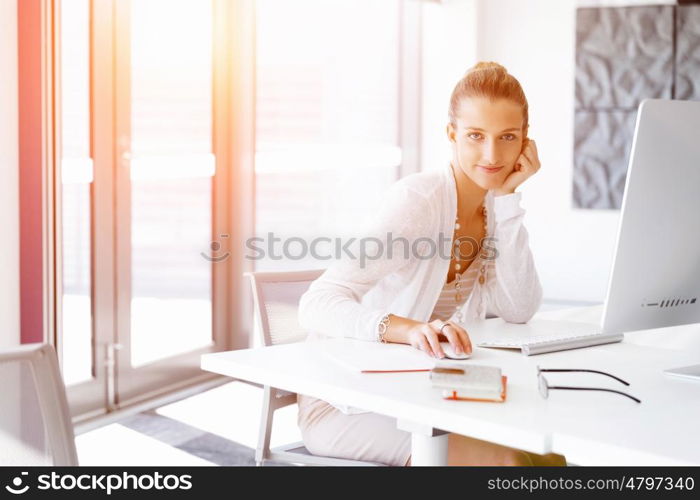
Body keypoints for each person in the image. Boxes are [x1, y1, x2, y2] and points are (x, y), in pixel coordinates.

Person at [296, 62, 566, 466]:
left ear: (525, 143)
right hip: (347, 403)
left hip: (421, 394)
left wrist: (509, 199)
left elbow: (519, 308)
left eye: (507, 137)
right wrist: (408, 330)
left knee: (551, 456)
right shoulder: (418, 203)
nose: (492, 155)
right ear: (452, 134)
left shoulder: (494, 204)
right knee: (511, 464)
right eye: (476, 136)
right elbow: (317, 302)